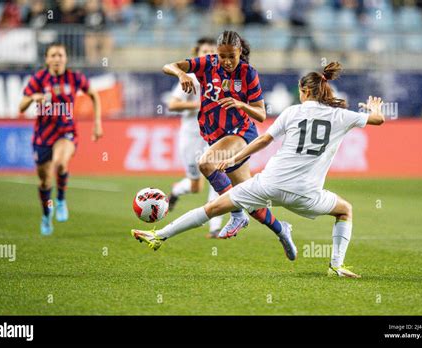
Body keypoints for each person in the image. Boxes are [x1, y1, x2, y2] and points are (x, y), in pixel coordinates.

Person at [132, 62, 385, 278]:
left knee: (212, 208)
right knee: (345, 210)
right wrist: (374, 108)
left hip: (268, 185)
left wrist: (235, 158)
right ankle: (336, 265)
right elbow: (377, 120)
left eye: (299, 90)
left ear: (305, 91)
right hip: (307, 195)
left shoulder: (293, 112)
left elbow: (263, 140)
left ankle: (160, 236)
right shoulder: (342, 116)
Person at [161, 30, 292, 255]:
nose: (227, 61)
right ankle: (282, 230)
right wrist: (181, 75)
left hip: (240, 133)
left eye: (232, 56)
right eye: (223, 56)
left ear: (240, 52)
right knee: (250, 200)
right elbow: (168, 66)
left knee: (206, 163)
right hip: (215, 135)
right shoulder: (207, 64)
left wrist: (241, 105)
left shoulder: (248, 73)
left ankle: (236, 215)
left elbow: (261, 114)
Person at [19, 43, 103, 235]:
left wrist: (97, 123)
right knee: (45, 181)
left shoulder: (74, 78)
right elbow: (21, 106)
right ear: (47, 59)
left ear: (66, 58)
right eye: (53, 55)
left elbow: (94, 95)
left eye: (60, 55)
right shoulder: (39, 79)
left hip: (66, 132)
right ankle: (46, 214)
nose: (57, 58)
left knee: (61, 163)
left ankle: (61, 200)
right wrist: (34, 98)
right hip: (43, 136)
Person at [166, 37, 223, 238]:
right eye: (203, 51)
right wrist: (200, 105)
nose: (208, 54)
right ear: (197, 55)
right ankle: (176, 191)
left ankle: (215, 227)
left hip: (213, 135)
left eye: (211, 51)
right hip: (191, 136)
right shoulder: (190, 77)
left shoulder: (219, 77)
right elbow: (172, 105)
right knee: (195, 186)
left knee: (216, 175)